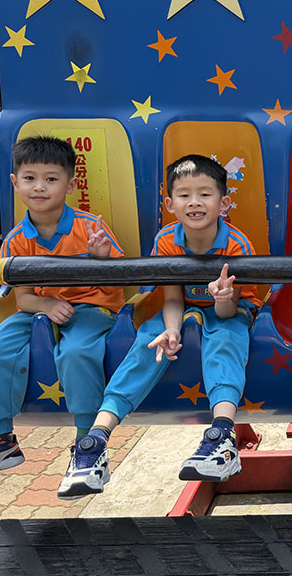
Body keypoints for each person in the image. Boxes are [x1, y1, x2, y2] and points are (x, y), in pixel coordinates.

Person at [57, 154, 260, 498]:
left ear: (224, 203)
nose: (194, 202)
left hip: (228, 309)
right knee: (149, 341)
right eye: (184, 195)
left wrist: (223, 298)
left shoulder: (235, 245)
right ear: (170, 204)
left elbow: (227, 312)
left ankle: (222, 437)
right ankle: (95, 441)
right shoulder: (167, 241)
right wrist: (172, 330)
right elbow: (172, 298)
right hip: (182, 308)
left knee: (226, 338)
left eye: (205, 194)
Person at [0, 135, 124, 477]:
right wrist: (46, 304)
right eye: (30, 178)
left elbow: (117, 286)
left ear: (70, 185)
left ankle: (88, 444)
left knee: (77, 352)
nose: (39, 187)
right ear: (15, 182)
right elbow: (23, 298)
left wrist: (101, 259)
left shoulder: (89, 228)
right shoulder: (16, 240)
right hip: (38, 310)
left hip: (90, 308)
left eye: (51, 179)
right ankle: (2, 438)